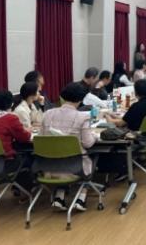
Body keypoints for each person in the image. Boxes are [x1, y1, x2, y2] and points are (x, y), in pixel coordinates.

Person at [40, 82, 99, 211]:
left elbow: (41, 138)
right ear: (80, 99)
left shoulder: (47, 114)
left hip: (48, 166)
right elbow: (88, 143)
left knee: (61, 154)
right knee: (92, 156)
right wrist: (95, 136)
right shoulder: (83, 117)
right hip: (75, 167)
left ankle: (59, 197)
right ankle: (81, 198)